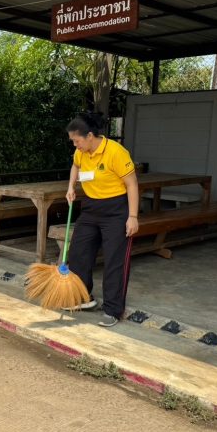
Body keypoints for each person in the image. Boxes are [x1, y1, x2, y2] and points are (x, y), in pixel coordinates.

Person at [65, 112, 139, 327]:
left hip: (116, 210)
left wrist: (132, 217)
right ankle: (83, 297)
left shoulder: (116, 152)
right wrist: (71, 187)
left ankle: (113, 309)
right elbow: (75, 166)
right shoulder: (81, 153)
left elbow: (132, 184)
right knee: (79, 253)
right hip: (90, 208)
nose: (75, 145)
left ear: (89, 136)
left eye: (76, 140)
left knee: (114, 259)